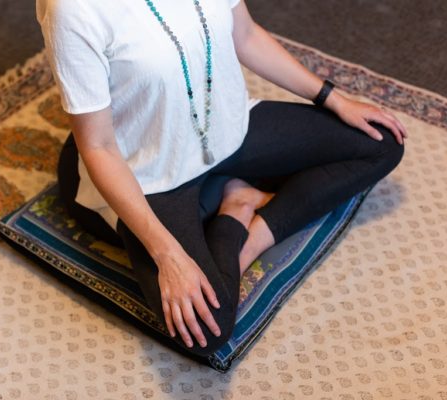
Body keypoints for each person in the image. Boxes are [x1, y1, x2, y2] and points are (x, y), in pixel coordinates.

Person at [37, 0, 407, 357]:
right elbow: (98, 146)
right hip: (148, 173)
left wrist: (334, 100)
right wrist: (168, 256)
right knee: (206, 330)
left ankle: (251, 229)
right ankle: (233, 208)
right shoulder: (72, 8)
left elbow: (244, 35)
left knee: (381, 142)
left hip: (226, 131)